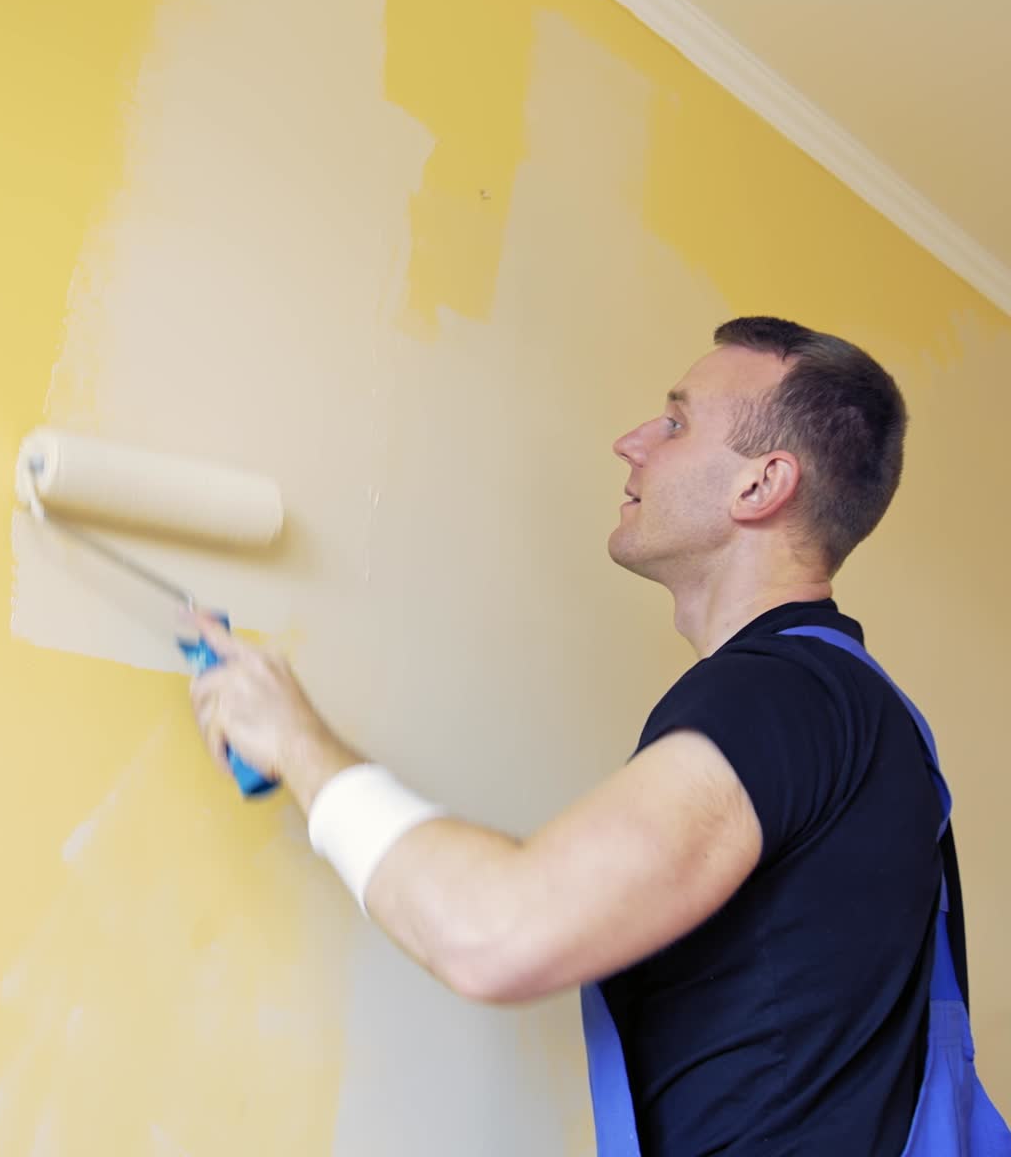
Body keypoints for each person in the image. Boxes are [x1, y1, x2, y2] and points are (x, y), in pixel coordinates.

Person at [185, 317, 947, 1154]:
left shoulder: (784, 694)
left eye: (675, 422)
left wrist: (296, 741)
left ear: (761, 487)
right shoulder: (845, 706)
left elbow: (499, 933)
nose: (631, 443)